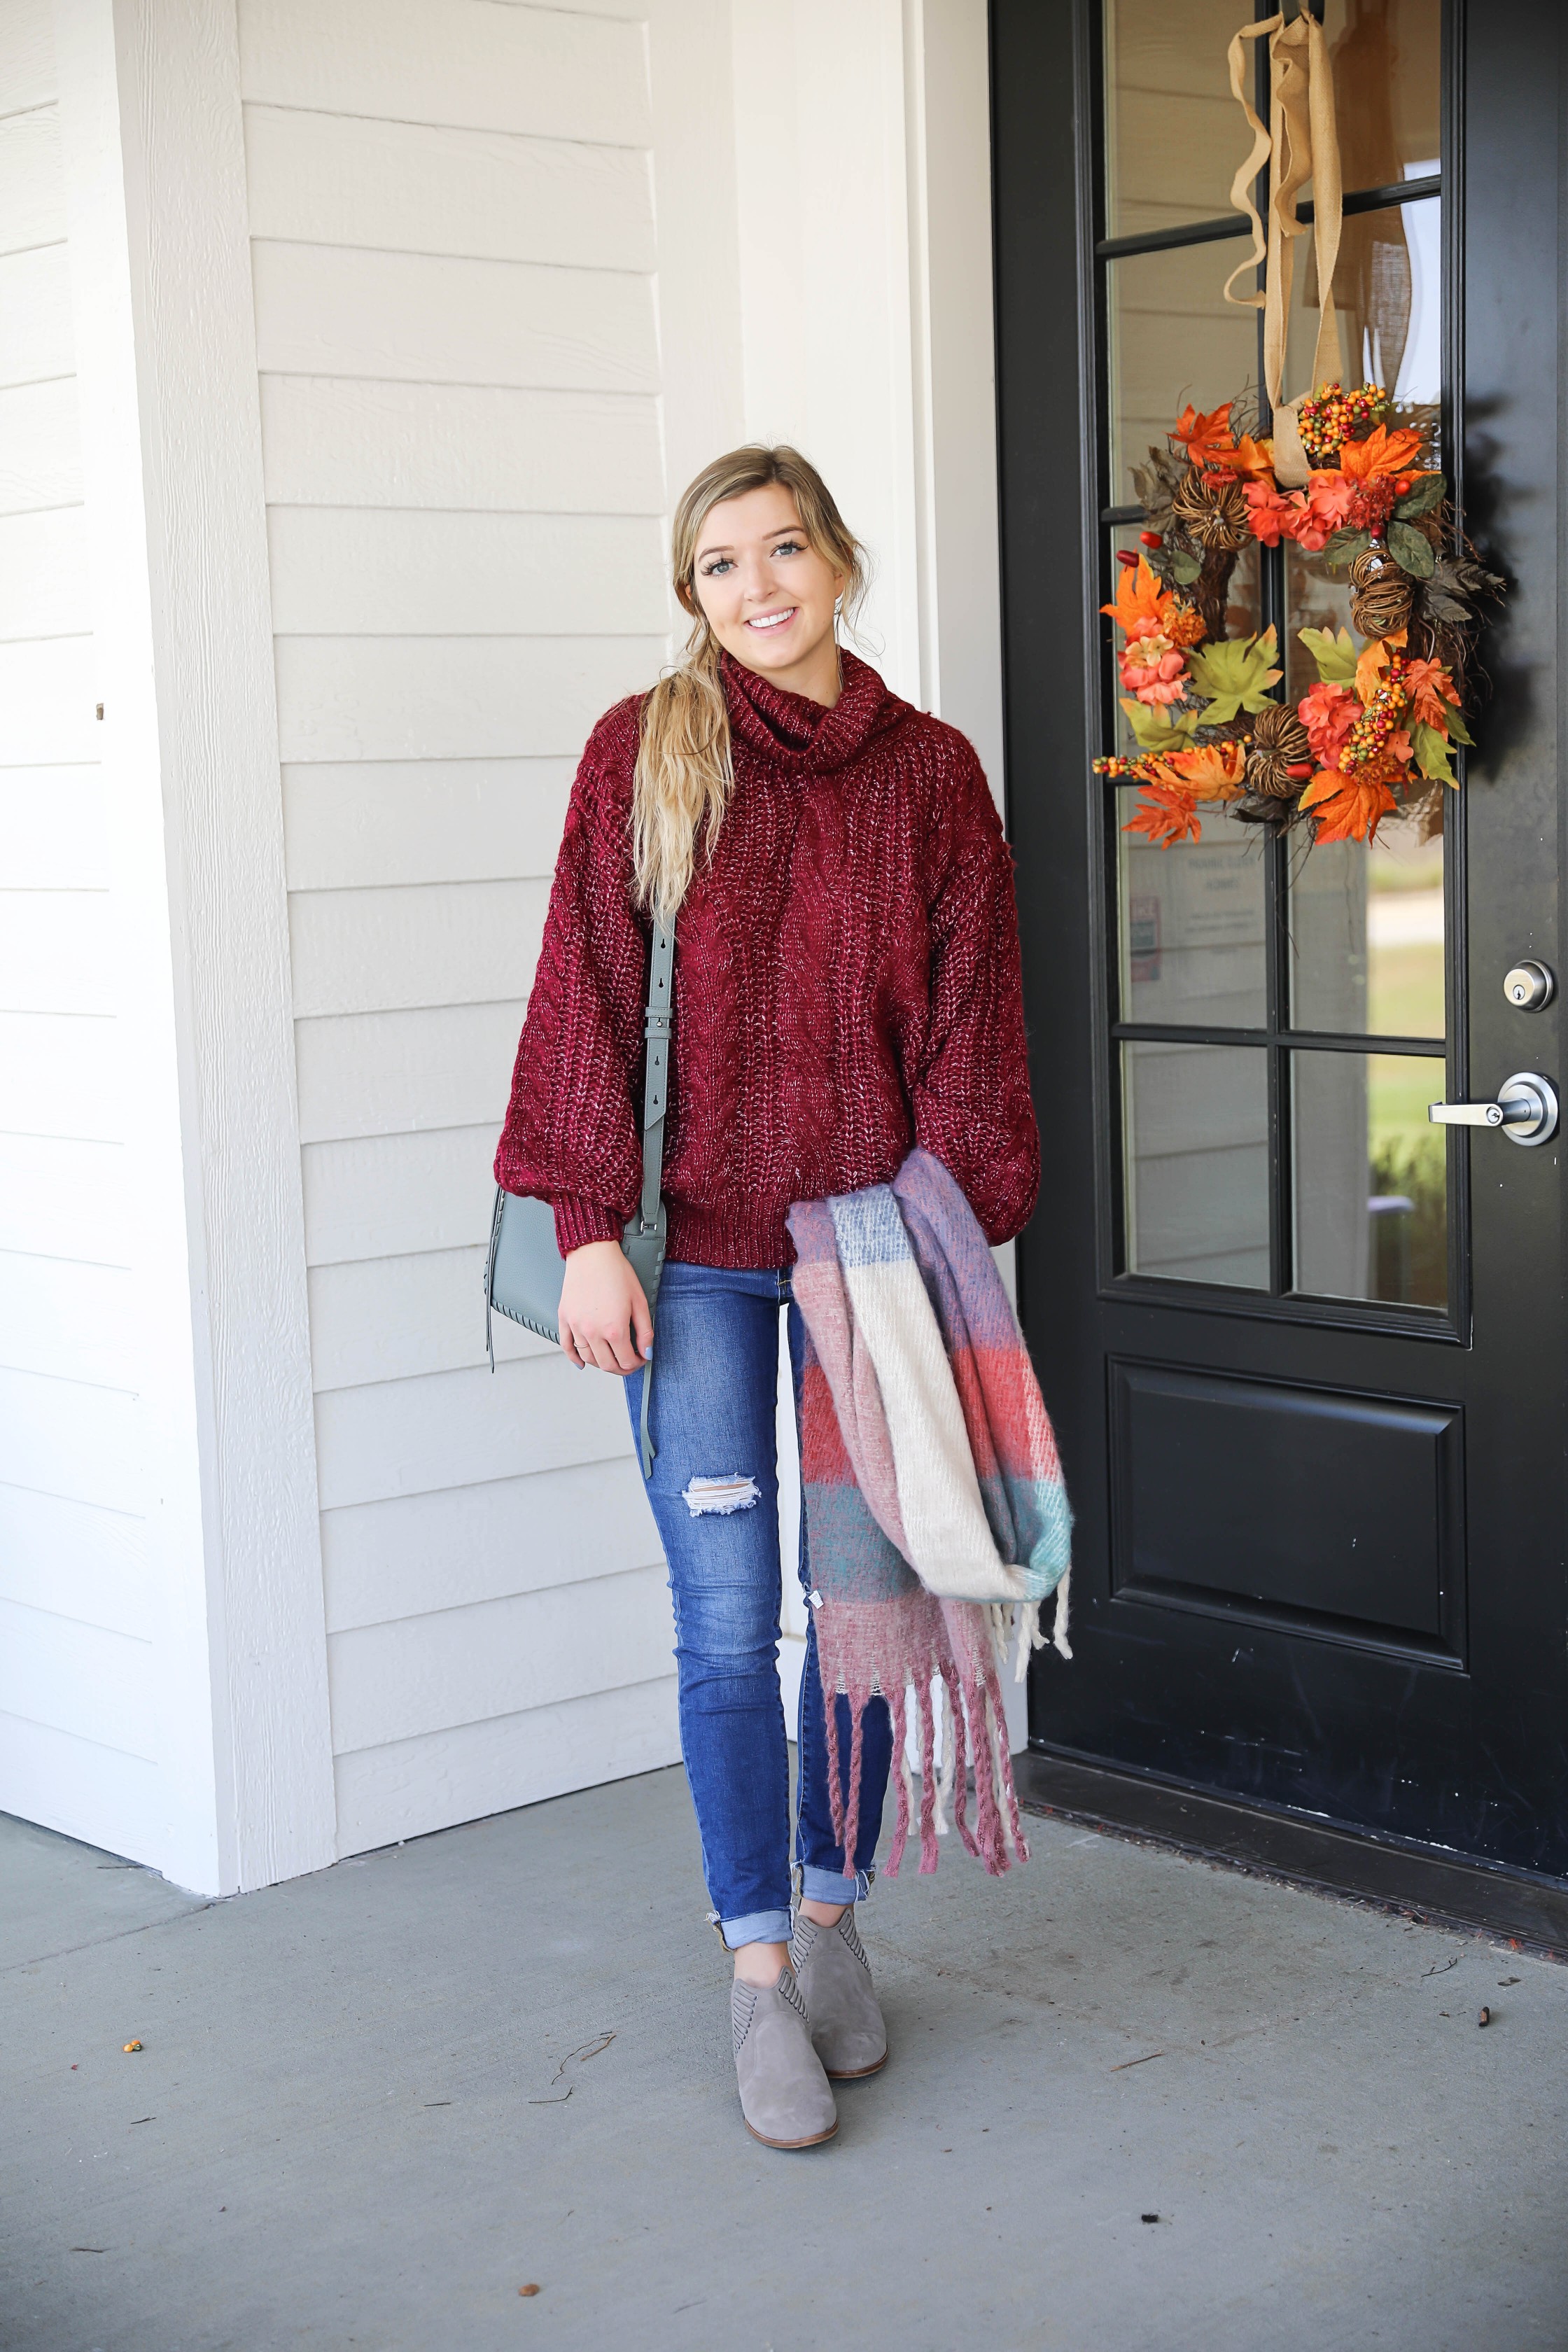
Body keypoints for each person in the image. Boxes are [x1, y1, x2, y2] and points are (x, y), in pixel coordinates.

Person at [496, 445, 1039, 2148]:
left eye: (782, 549)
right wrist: (585, 1222)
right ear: (693, 597)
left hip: (865, 1257)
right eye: (718, 567)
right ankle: (753, 1980)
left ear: (839, 562)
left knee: (860, 1607)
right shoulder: (644, 752)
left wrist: (932, 1224)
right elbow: (583, 985)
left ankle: (829, 1912)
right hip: (699, 1262)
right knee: (729, 1626)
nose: (756, 589)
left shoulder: (933, 776)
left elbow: (976, 1029)